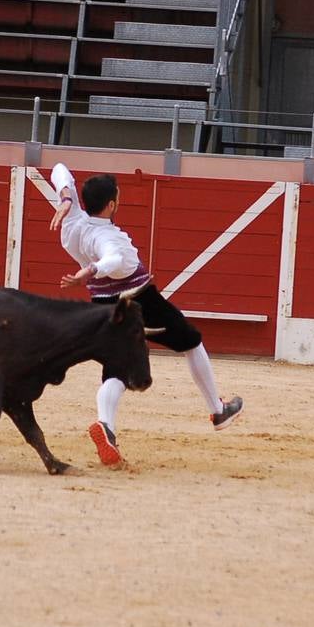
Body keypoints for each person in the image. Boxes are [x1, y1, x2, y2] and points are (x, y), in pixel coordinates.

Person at [49, 163, 243, 467]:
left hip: (103, 305)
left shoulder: (74, 222)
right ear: (111, 204)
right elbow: (111, 259)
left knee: (118, 369)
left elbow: (60, 169)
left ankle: (106, 426)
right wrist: (87, 272)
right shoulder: (107, 238)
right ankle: (218, 410)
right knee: (191, 341)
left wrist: (65, 198)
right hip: (140, 302)